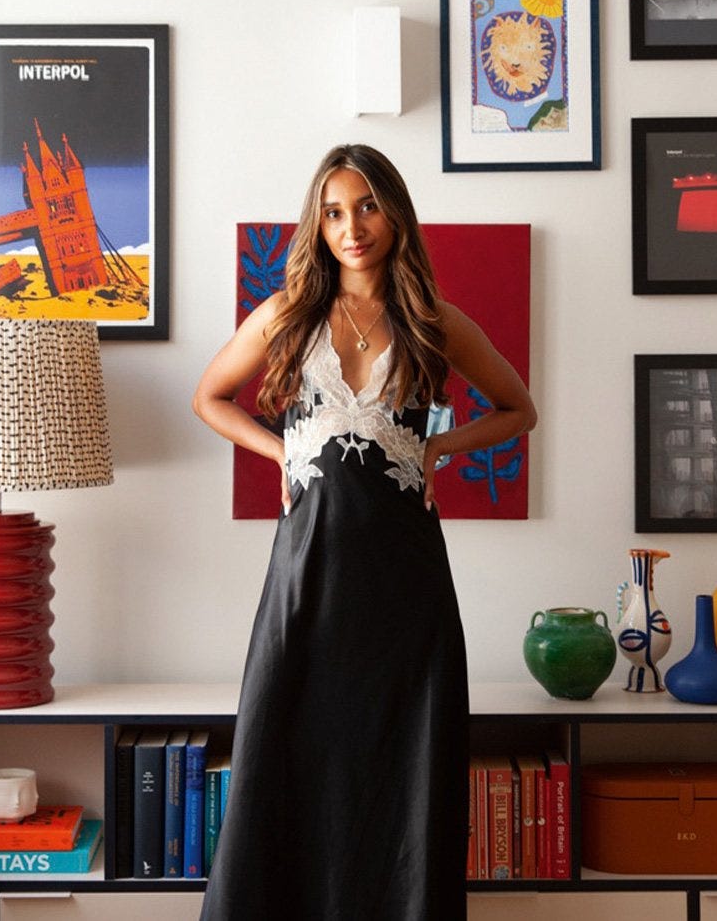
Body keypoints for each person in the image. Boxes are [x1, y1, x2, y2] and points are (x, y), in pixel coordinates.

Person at [192, 144, 537, 920]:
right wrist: (280, 449)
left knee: (401, 765)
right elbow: (210, 397)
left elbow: (520, 408)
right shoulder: (289, 314)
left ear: (396, 213)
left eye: (369, 206)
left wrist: (442, 445)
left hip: (404, 587)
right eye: (336, 211)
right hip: (306, 577)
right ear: (318, 223)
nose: (353, 226)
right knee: (285, 760)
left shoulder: (433, 322)